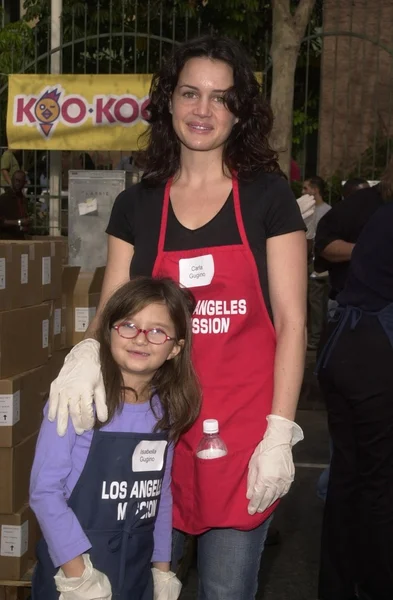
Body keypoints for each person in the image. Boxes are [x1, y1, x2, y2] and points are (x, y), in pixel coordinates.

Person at [47, 35, 307, 600]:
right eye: (190, 93)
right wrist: (86, 355)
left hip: (240, 443)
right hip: (148, 433)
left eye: (221, 97)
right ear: (169, 101)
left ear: (240, 112)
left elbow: (291, 322)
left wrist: (279, 433)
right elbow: (112, 310)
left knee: (224, 590)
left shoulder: (268, 197)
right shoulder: (137, 205)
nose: (203, 110)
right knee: (134, 586)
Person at [30, 276, 200, 600]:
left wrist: (161, 571)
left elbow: (160, 496)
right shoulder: (75, 401)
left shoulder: (166, 412)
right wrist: (78, 577)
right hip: (73, 581)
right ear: (109, 332)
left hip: (134, 580)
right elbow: (44, 490)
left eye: (157, 331)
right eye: (128, 325)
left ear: (176, 347)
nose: (140, 339)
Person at [316, 182, 393, 600]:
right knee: (378, 484)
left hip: (344, 350)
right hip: (373, 355)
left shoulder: (381, 215)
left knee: (348, 478)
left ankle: (338, 588)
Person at [301, 176, 331, 350]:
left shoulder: (326, 211)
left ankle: (316, 337)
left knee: (316, 301)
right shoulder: (309, 210)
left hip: (317, 262)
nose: (303, 192)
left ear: (315, 190)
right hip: (307, 260)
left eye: (306, 188)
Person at [0, 170, 30, 239]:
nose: (17, 183)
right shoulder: (4, 198)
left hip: (20, 238)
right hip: (7, 239)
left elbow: (24, 218)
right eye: (16, 180)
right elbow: (1, 222)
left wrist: (26, 224)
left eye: (20, 181)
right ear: (12, 180)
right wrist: (19, 222)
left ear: (24, 183)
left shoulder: (23, 199)